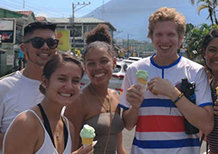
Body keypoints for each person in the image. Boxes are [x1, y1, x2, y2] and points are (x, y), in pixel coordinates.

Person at [118, 7, 214, 154]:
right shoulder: (134, 70)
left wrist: (173, 93)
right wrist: (135, 107)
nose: (164, 40)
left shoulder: (196, 71)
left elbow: (207, 125)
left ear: (181, 38)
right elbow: (128, 125)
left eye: (171, 34)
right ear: (150, 36)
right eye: (159, 34)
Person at [3, 53, 94, 153]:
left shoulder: (68, 127)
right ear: (45, 82)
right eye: (62, 79)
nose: (69, 86)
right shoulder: (26, 123)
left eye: (75, 81)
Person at [0, 21, 58, 152]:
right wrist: (30, 137)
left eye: (51, 43)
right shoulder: (5, 87)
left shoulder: (64, 88)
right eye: (37, 42)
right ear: (24, 48)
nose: (45, 47)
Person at [65, 40, 126, 153]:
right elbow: (70, 148)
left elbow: (119, 147)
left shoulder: (116, 97)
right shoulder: (78, 100)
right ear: (85, 68)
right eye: (91, 63)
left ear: (114, 62)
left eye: (103, 61)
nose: (98, 67)